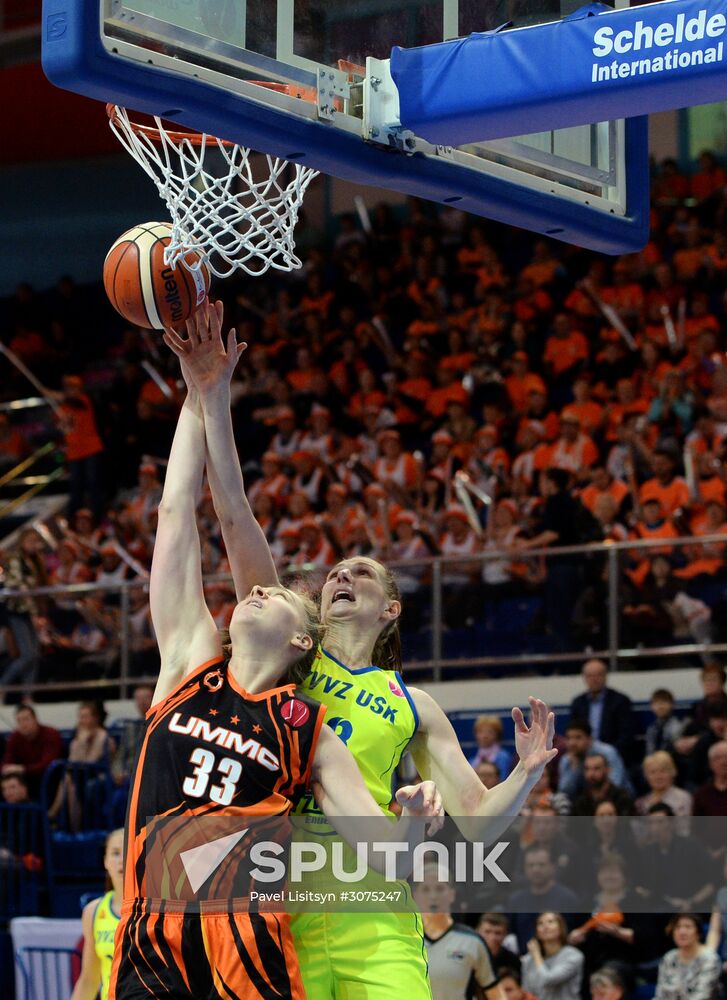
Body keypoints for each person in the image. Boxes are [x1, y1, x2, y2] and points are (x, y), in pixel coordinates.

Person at [167, 297, 558, 1000]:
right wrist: (213, 396)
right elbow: (232, 514)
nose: (342, 575)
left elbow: (474, 821)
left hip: (372, 906)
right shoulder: (290, 651)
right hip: (278, 904)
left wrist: (525, 775)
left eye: (362, 574)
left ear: (391, 609)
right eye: (336, 572)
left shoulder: (413, 703)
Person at [110, 302, 443, 1000]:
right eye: (255, 591)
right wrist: (197, 391)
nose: (256, 589)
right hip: (152, 938)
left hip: (249, 948)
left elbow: (388, 857)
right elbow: (177, 513)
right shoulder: (188, 664)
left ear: (302, 639)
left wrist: (413, 823)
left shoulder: (309, 728)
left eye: (276, 594)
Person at [413, 859, 498, 1000]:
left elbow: (495, 994)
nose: (433, 896)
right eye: (426, 889)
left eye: (440, 888)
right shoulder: (402, 940)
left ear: (452, 894)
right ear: (415, 896)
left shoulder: (472, 941)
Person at [70, 828, 123, 1000]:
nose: (122, 860)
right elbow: (89, 979)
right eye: (115, 853)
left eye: (129, 852)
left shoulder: (155, 907)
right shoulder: (93, 911)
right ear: (105, 861)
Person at [508, 846, 580, 953]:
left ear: (552, 867)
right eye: (530, 865)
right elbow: (511, 934)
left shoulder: (568, 899)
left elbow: (577, 934)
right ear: (524, 869)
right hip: (525, 959)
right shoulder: (516, 900)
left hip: (560, 959)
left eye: (541, 865)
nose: (536, 870)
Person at [0, 528, 47, 692]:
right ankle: (2, 685)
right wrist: (33, 615)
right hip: (19, 611)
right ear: (22, 542)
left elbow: (36, 590)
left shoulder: (34, 561)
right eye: (30, 541)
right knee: (28, 654)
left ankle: (28, 695)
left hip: (31, 611)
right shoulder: (16, 559)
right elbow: (16, 585)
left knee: (35, 654)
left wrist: (37, 614)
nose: (34, 545)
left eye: (36, 541)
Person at [569, 660, 635, 764]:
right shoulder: (578, 702)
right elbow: (573, 731)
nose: (594, 679)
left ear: (605, 676)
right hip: (584, 754)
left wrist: (606, 754)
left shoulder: (620, 701)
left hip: (613, 755)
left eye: (598, 675)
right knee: (566, 760)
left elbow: (626, 735)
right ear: (584, 678)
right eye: (590, 676)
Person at [1, 704, 63, 797]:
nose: (23, 724)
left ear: (35, 719)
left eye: (26, 719)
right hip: (24, 778)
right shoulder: (15, 737)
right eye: (19, 721)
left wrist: (23, 769)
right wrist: (6, 769)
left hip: (48, 777)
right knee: (10, 783)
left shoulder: (51, 734)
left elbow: (47, 764)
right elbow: (8, 760)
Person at [655, 914, 721, 1000]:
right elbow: (660, 995)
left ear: (698, 933)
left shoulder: (709, 959)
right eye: (677, 927)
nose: (682, 932)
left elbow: (702, 996)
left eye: (688, 927)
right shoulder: (669, 958)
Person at [558, 721, 629, 799]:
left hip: (618, 798)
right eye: (568, 738)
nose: (572, 743)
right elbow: (564, 792)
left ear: (589, 739)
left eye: (578, 737)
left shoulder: (607, 752)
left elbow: (616, 783)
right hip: (586, 801)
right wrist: (574, 768)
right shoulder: (566, 759)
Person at [521, 912, 584, 1000]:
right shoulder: (528, 960)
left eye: (550, 922)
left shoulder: (573, 956)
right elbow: (526, 991)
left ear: (561, 928)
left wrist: (537, 956)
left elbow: (548, 980)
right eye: (540, 923)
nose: (545, 926)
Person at [635, 751, 692, 817]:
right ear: (646, 776)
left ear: (672, 772)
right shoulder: (641, 803)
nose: (658, 777)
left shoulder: (683, 798)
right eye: (653, 772)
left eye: (663, 771)